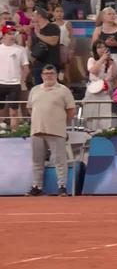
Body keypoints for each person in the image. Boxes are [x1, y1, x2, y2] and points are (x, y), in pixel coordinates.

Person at [26, 64, 76, 197]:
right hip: (37, 130)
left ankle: (62, 186)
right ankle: (37, 186)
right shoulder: (35, 90)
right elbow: (30, 108)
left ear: (56, 75)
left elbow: (71, 110)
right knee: (37, 160)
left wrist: (61, 124)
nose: (49, 76)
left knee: (60, 160)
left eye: (51, 73)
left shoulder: (64, 90)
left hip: (56, 130)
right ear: (42, 75)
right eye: (46, 73)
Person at [84, 40, 117, 132]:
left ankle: (104, 133)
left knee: (105, 116)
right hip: (93, 91)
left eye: (104, 47)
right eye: (99, 47)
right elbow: (93, 71)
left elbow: (115, 76)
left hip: (106, 91)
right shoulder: (91, 60)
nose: (102, 49)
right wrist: (102, 59)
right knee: (92, 116)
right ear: (95, 50)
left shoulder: (110, 61)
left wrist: (111, 62)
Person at [0, 24, 29, 130]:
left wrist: (22, 81)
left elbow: (26, 67)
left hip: (14, 84)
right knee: (0, 111)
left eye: (13, 33)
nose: (11, 36)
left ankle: (14, 132)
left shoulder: (20, 50)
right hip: (1, 83)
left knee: (14, 111)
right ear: (3, 35)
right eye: (9, 34)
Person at [31, 7, 60, 85]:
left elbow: (53, 41)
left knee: (52, 88)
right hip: (38, 64)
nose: (31, 18)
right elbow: (31, 46)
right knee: (38, 88)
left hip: (50, 63)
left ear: (39, 16)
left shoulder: (53, 27)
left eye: (33, 16)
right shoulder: (34, 29)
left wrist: (38, 35)